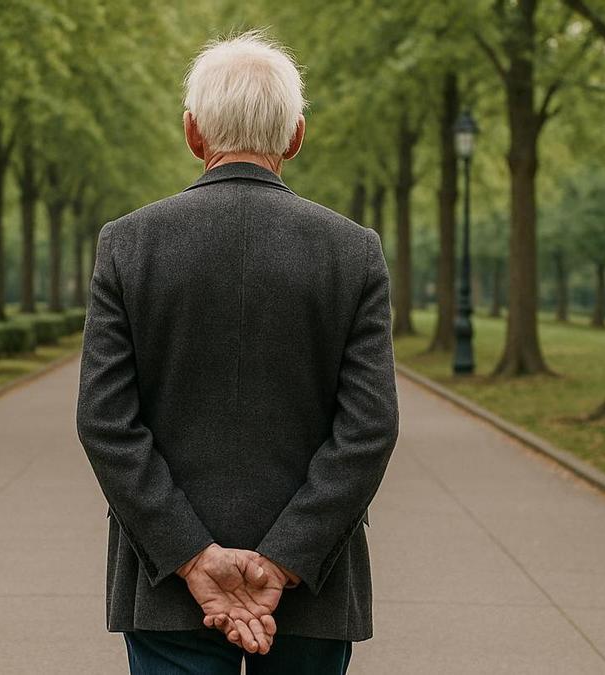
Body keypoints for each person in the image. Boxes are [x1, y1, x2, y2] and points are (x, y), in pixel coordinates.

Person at [76, 30, 399, 675]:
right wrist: (283, 557)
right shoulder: (352, 251)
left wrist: (193, 555)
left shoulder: (127, 245)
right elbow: (368, 428)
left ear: (193, 133)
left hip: (168, 587)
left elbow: (105, 422)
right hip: (312, 588)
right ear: (295, 137)